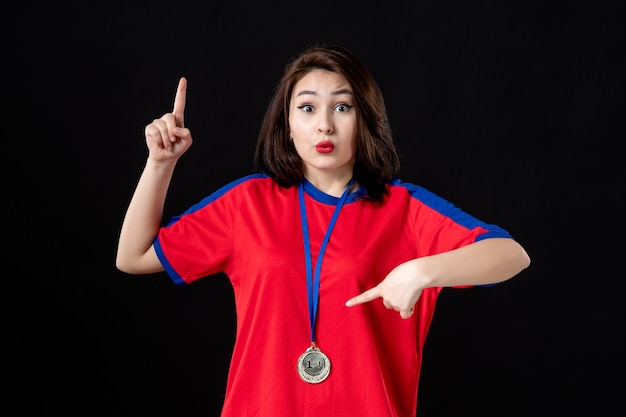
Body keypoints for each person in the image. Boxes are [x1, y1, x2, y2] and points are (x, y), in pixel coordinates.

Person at [116, 44, 531, 417]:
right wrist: (159, 165)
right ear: (287, 122)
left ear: (364, 118)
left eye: (343, 107)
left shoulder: (404, 208)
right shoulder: (248, 204)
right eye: (308, 108)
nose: (325, 126)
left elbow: (511, 254)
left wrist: (424, 272)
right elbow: (133, 257)